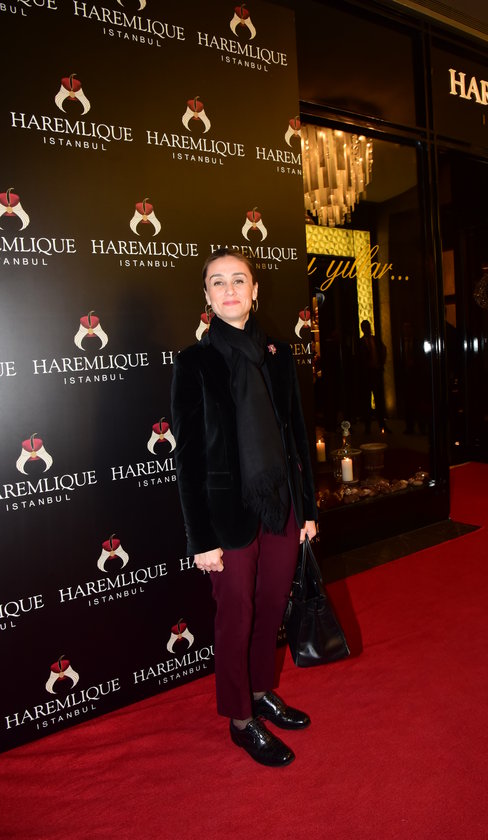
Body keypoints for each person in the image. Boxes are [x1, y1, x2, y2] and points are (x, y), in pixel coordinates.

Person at [171, 248, 318, 768]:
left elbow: (296, 435)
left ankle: (260, 692)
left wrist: (307, 509)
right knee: (236, 616)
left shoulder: (278, 354)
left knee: (271, 605)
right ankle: (240, 718)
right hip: (225, 518)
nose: (229, 289)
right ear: (206, 296)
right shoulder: (195, 363)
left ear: (255, 291)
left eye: (239, 280)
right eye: (218, 282)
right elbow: (188, 459)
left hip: (280, 504)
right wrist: (200, 539)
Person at [358, 319, 390, 434]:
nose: (367, 329)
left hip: (376, 372)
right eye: (365, 327)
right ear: (362, 329)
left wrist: (381, 363)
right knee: (367, 401)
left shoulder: (375, 339)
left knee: (379, 400)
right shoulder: (360, 342)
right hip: (367, 375)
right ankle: (368, 426)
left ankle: (382, 424)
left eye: (368, 327)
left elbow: (383, 350)